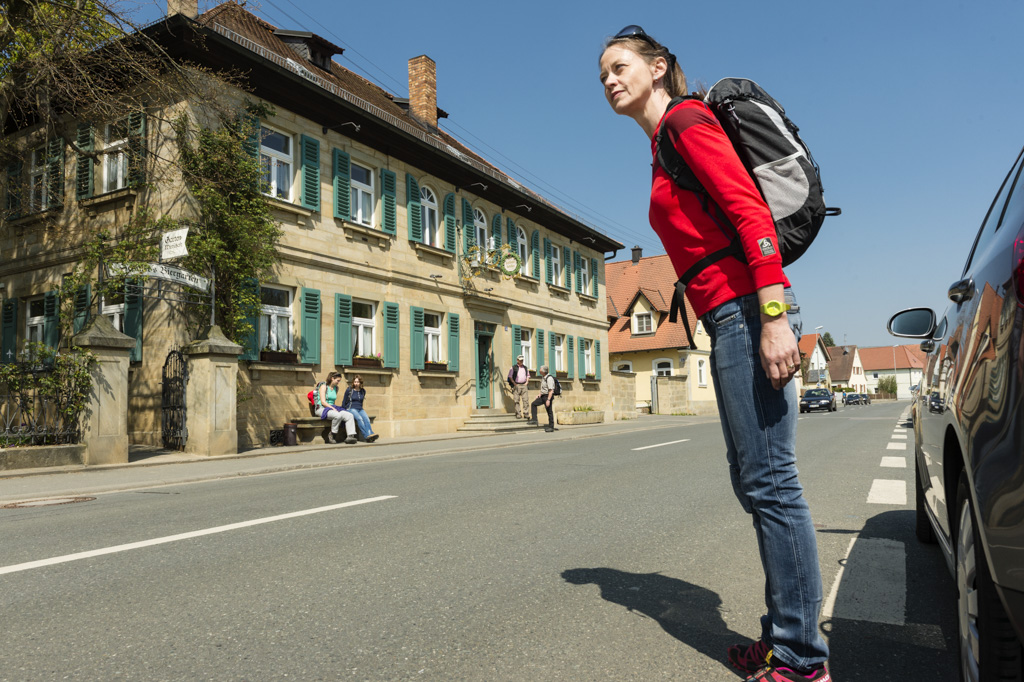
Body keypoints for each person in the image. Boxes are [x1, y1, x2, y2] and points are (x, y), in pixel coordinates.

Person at [599, 26, 830, 682]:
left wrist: (775, 317)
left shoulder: (685, 121)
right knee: (758, 483)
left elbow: (752, 215)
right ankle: (785, 636)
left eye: (620, 66)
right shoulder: (663, 142)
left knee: (773, 485)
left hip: (748, 311)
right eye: (602, 75)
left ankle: (803, 660)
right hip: (728, 315)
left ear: (659, 67)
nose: (610, 80)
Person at [315, 371, 357, 444]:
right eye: (337, 380)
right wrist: (333, 409)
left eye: (339, 381)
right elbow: (323, 402)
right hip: (321, 408)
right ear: (332, 378)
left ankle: (350, 436)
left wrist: (334, 408)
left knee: (349, 415)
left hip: (332, 408)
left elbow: (332, 401)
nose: (338, 382)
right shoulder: (323, 386)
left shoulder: (335, 388)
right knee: (337, 415)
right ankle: (332, 434)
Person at [341, 375, 380, 442]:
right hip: (351, 408)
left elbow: (361, 402)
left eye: (358, 382)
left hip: (360, 409)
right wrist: (343, 410)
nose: (356, 383)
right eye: (355, 382)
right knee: (359, 419)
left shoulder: (363, 391)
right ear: (353, 382)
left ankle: (371, 434)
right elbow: (344, 401)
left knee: (366, 419)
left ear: (360, 383)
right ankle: (366, 435)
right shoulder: (349, 390)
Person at [525, 365, 556, 433]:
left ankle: (551, 427)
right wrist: (539, 394)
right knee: (534, 404)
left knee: (549, 411)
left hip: (547, 396)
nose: (539, 370)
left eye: (540, 369)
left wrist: (548, 400)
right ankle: (534, 419)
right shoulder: (543, 377)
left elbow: (551, 390)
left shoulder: (549, 378)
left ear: (543, 371)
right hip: (543, 396)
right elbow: (543, 388)